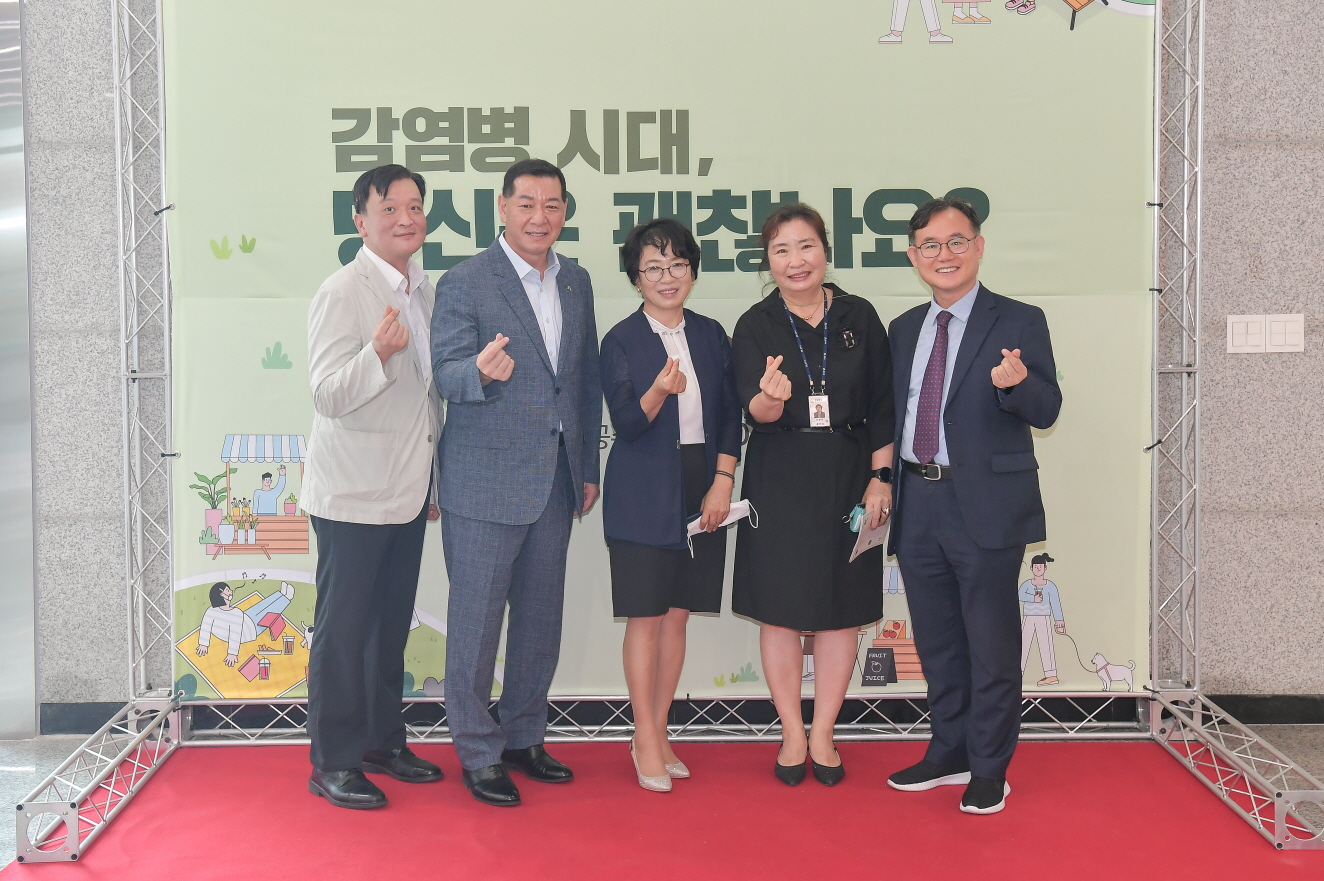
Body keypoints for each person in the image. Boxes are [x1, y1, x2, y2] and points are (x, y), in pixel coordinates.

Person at [431, 158, 601, 808]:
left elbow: (582, 380)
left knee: (539, 620)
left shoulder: (576, 281)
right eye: (526, 203)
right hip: (483, 483)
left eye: (552, 205)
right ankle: (478, 751)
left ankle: (525, 734)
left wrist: (586, 468)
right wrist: (477, 371)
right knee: (475, 625)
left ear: (565, 212)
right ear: (502, 207)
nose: (539, 216)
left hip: (555, 480)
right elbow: (445, 372)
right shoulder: (465, 281)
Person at [884, 197, 1061, 815]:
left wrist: (1018, 386)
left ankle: (988, 767)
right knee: (937, 643)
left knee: (990, 643)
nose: (945, 255)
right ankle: (948, 751)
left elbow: (1047, 409)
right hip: (917, 498)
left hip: (984, 503)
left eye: (956, 241)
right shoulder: (903, 328)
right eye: (930, 245)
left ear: (979, 247)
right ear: (914, 257)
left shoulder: (1019, 320)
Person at [730, 203, 895, 787]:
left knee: (840, 611)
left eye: (806, 246)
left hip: (851, 474)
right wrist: (770, 398)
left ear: (825, 250)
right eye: (781, 250)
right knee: (780, 610)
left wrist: (882, 478)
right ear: (767, 261)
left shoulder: (859, 316)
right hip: (780, 476)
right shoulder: (754, 324)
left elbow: (882, 407)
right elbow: (752, 411)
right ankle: (791, 732)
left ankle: (823, 731)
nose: (795, 261)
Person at [302, 164, 444, 810]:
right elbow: (328, 394)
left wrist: (432, 478)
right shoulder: (342, 291)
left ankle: (383, 741)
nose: (405, 218)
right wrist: (377, 354)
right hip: (353, 494)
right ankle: (333, 759)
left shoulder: (424, 289)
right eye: (390, 208)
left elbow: (427, 397)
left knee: (388, 627)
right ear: (361, 221)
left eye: (414, 206)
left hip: (407, 490)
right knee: (343, 631)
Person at [599, 219, 742, 793]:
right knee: (646, 616)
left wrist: (722, 481)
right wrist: (659, 389)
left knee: (678, 614)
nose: (667, 277)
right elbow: (628, 424)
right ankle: (644, 735)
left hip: (701, 482)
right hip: (642, 488)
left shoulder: (710, 334)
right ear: (636, 277)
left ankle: (658, 732)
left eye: (678, 265)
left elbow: (729, 416)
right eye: (653, 267)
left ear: (692, 272)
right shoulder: (620, 340)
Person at [1019, 553, 1066, 685]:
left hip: (1043, 618)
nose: (1038, 568)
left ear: (1045, 568)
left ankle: (1051, 675)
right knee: (1023, 644)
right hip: (1028, 617)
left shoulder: (1050, 586)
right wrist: (1033, 598)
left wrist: (1059, 620)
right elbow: (1019, 595)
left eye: (1040, 566)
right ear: (1031, 568)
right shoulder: (1027, 584)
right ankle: (1017, 673)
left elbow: (1055, 603)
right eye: (1035, 566)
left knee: (1046, 645)